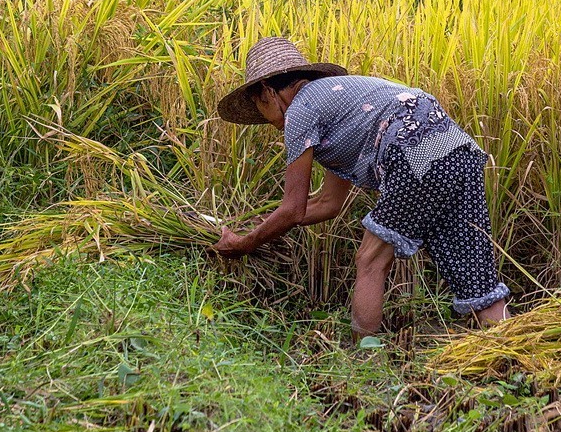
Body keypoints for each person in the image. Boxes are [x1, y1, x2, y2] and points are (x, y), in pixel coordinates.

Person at [211, 37, 510, 340]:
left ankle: (363, 365)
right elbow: (328, 203)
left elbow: (292, 209)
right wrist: (257, 227)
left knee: (371, 261)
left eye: (257, 107)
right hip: (456, 151)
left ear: (267, 93)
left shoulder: (300, 109)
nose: (267, 121)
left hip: (413, 149)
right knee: (478, 279)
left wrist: (245, 244)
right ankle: (510, 350)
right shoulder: (334, 106)